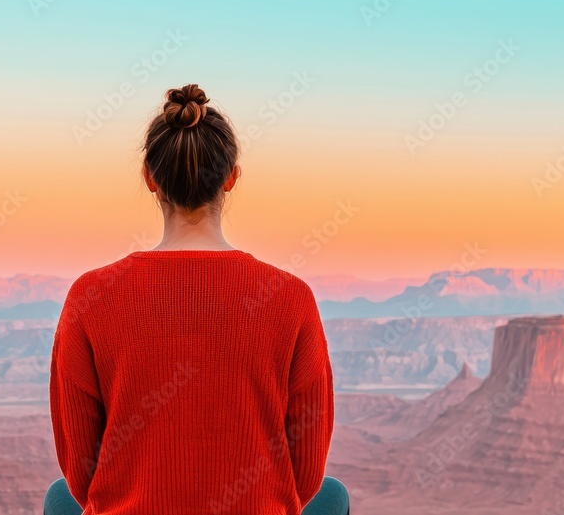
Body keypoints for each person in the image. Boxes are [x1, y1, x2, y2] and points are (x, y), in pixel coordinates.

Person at [45, 84, 348, 514]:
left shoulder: (89, 297)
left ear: (150, 179)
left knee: (58, 496)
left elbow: (80, 474)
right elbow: (306, 475)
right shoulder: (290, 298)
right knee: (333, 494)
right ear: (231, 178)